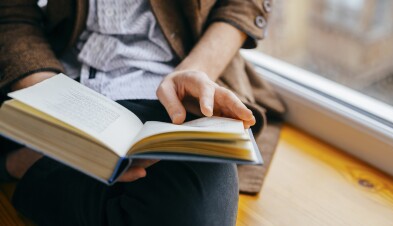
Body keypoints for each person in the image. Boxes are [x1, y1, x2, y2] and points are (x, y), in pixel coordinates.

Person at [0, 0, 283, 225]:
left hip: (175, 86)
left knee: (197, 208)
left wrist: (195, 70)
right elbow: (12, 11)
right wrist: (52, 104)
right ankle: (38, 160)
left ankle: (29, 163)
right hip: (57, 71)